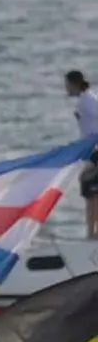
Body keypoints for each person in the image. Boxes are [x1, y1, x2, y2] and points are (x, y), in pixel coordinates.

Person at [71, 71, 98, 238]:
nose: (66, 88)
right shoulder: (85, 99)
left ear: (74, 84)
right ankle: (91, 234)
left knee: (92, 194)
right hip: (91, 152)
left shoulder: (87, 100)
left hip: (96, 151)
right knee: (91, 193)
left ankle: (92, 234)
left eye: (67, 85)